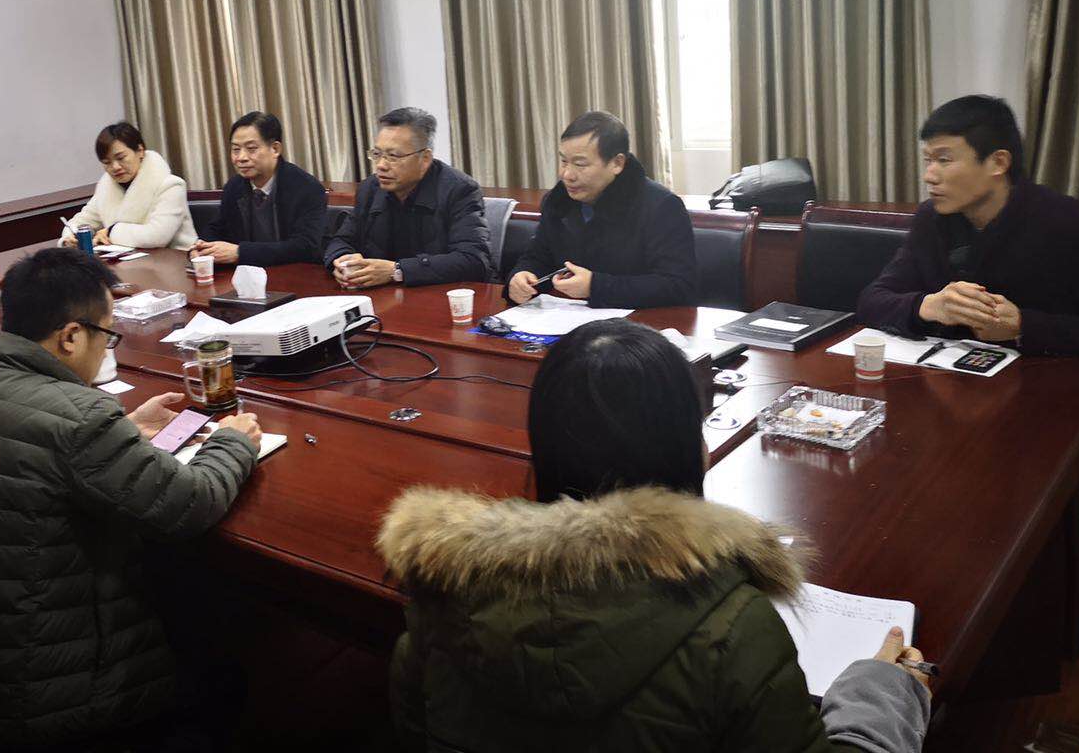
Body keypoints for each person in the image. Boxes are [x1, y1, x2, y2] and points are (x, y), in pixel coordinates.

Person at [377, 320, 932, 752]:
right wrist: (881, 693)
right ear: (691, 449)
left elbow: (415, 730)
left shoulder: (441, 596)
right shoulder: (735, 629)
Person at [0, 247, 261, 751]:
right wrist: (233, 442)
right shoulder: (80, 418)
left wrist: (125, 429)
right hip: (39, 704)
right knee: (223, 668)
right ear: (70, 336)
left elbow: (40, 452)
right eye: (106, 336)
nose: (106, 348)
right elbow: (192, 503)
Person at [857, 95, 1079, 355]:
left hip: (1043, 375)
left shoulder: (1077, 227)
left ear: (998, 162)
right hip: (944, 371)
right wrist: (927, 306)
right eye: (928, 160)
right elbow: (872, 300)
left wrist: (1023, 326)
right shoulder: (931, 218)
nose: (929, 176)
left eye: (944, 160)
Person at [506, 111, 697, 308]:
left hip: (640, 321)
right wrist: (522, 276)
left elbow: (678, 286)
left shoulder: (661, 206)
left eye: (580, 164)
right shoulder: (558, 201)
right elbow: (538, 257)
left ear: (617, 163)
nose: (567, 174)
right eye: (563, 161)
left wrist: (595, 286)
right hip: (569, 317)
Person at [324, 107, 492, 287]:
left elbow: (473, 260)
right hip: (382, 295)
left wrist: (397, 271)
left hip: (440, 295)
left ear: (425, 158)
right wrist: (342, 260)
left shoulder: (459, 190)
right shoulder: (370, 188)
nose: (381, 165)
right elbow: (342, 240)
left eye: (393, 156)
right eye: (377, 154)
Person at [191, 111, 328, 267]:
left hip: (294, 274)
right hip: (246, 276)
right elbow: (217, 228)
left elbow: (305, 247)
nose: (241, 158)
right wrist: (201, 248)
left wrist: (240, 252)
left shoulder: (307, 188)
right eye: (236, 149)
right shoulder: (234, 187)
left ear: (275, 149)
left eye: (251, 149)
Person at [62, 121, 197, 251]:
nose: (115, 167)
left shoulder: (171, 185)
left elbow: (157, 236)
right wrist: (71, 236)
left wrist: (111, 231)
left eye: (121, 158)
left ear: (140, 151)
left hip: (176, 261)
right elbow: (81, 221)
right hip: (128, 262)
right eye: (107, 162)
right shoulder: (106, 188)